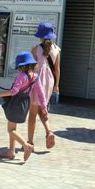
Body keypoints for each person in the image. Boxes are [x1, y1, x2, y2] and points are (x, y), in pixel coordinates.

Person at [0, 51, 49, 162]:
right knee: (13, 127)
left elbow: (14, 91)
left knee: (11, 130)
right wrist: (44, 107)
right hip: (25, 103)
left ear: (21, 66)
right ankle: (11, 151)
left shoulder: (22, 76)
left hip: (16, 103)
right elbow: (41, 93)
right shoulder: (35, 76)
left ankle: (27, 146)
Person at [27, 22, 60, 150]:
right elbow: (57, 70)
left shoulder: (35, 49)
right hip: (50, 82)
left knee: (33, 113)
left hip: (37, 82)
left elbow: (30, 69)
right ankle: (49, 131)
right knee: (43, 109)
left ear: (40, 36)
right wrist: (56, 86)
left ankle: (30, 142)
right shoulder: (57, 49)